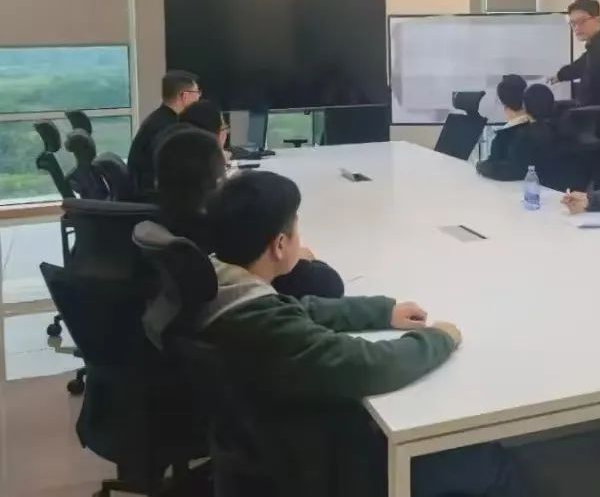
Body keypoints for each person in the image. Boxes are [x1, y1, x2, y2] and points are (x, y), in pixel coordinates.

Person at [197, 170, 529, 497]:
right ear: (280, 245)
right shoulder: (263, 326)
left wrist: (381, 311)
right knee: (491, 464)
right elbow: (367, 365)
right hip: (328, 467)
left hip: (279, 450)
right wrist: (438, 338)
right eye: (296, 227)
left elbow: (300, 308)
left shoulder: (221, 285)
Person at [154, 128, 344, 299]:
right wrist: (301, 258)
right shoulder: (231, 233)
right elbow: (330, 285)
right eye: (225, 168)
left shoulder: (159, 224)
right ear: (219, 183)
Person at [549, 0, 600, 189]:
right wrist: (560, 76)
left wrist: (573, 112)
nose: (577, 28)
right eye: (573, 24)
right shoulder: (599, 44)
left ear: (597, 19)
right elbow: (581, 65)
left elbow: (591, 92)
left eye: (581, 22)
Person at [128, 70, 201, 198]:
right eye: (197, 93)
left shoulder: (161, 118)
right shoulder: (168, 128)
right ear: (184, 96)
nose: (199, 97)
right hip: (153, 197)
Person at [476, 75, 530, 181]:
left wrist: (481, 166)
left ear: (503, 104)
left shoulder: (505, 136)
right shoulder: (539, 126)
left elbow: (500, 168)